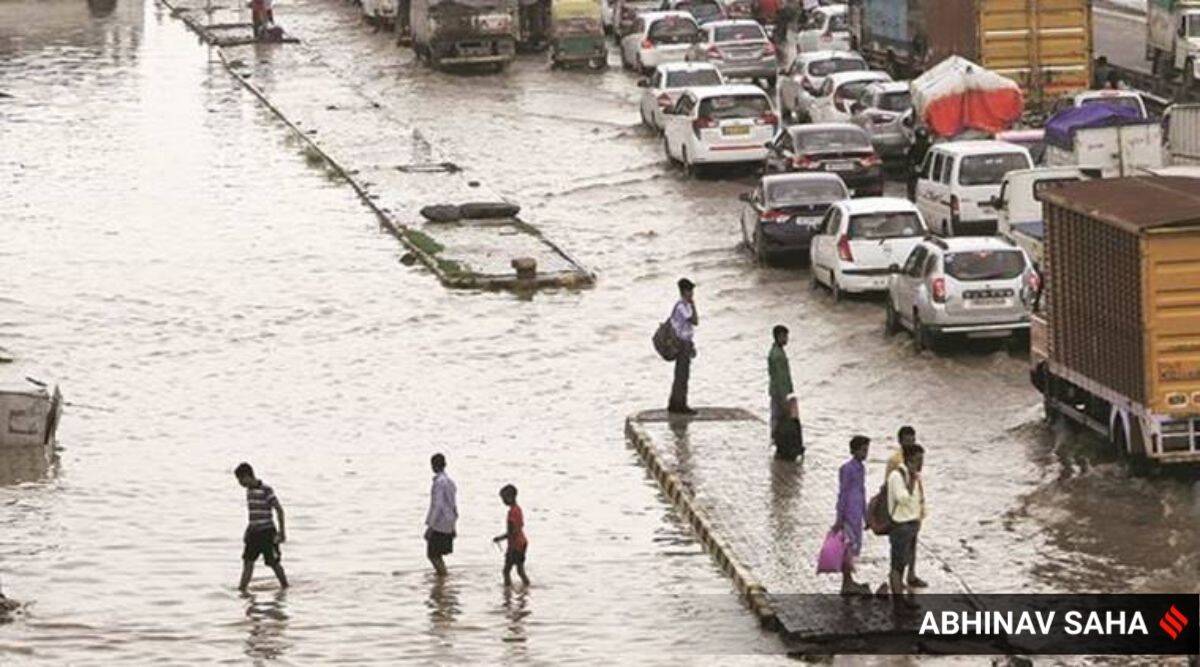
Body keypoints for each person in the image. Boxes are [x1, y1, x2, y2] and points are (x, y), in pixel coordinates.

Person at [235, 463, 288, 591]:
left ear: (248, 476)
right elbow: (253, 515)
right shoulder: (249, 491)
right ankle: (242, 589)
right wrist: (248, 531)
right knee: (248, 561)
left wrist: (281, 532)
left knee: (273, 562)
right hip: (253, 533)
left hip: (267, 532)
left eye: (241, 480)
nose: (240, 483)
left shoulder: (266, 490)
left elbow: (279, 509)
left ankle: (285, 586)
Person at [886, 425, 926, 588]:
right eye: (907, 440)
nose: (910, 443)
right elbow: (893, 489)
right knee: (900, 553)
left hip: (913, 512)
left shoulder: (915, 460)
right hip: (902, 514)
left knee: (912, 544)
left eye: (912, 440)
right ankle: (899, 581)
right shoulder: (896, 462)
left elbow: (917, 488)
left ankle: (911, 574)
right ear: (900, 441)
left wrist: (921, 506)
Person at [833, 436, 870, 595]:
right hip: (848, 512)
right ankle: (846, 582)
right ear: (853, 450)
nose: (865, 453)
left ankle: (848, 581)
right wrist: (839, 518)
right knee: (847, 547)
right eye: (863, 450)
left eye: (866, 450)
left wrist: (866, 515)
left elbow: (862, 491)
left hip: (857, 512)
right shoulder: (847, 469)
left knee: (853, 547)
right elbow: (843, 493)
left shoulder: (861, 468)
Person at [668, 278, 699, 415]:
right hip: (681, 344)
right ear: (684, 291)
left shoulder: (684, 306)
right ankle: (680, 405)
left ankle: (675, 403)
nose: (692, 293)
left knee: (682, 374)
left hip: (685, 342)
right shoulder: (682, 307)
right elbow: (695, 320)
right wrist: (693, 305)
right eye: (690, 290)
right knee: (682, 375)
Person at [425, 453, 458, 576]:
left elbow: (437, 506)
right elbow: (453, 505)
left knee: (432, 555)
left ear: (433, 466)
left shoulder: (439, 483)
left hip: (439, 523)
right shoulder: (450, 482)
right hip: (449, 522)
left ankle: (443, 576)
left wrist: (430, 527)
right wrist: (453, 526)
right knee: (437, 554)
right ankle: (442, 577)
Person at [492, 484, 530, 587]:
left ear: (510, 497)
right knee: (520, 570)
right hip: (522, 543)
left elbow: (511, 532)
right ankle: (526, 587)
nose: (503, 501)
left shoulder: (511, 513)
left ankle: (507, 590)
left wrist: (499, 538)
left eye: (504, 498)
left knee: (506, 571)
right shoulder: (518, 509)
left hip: (515, 545)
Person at [767, 325, 793, 441]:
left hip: (777, 391)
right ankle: (777, 439)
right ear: (778, 337)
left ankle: (776, 439)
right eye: (784, 336)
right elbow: (780, 378)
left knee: (777, 416)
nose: (787, 339)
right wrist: (784, 397)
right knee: (779, 417)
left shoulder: (777, 351)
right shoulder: (777, 355)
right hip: (780, 392)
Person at [906, 127, 930, 202]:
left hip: (927, 173)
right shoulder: (913, 148)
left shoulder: (930, 148)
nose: (921, 142)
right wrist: (913, 166)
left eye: (924, 139)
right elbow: (909, 160)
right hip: (915, 173)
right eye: (920, 139)